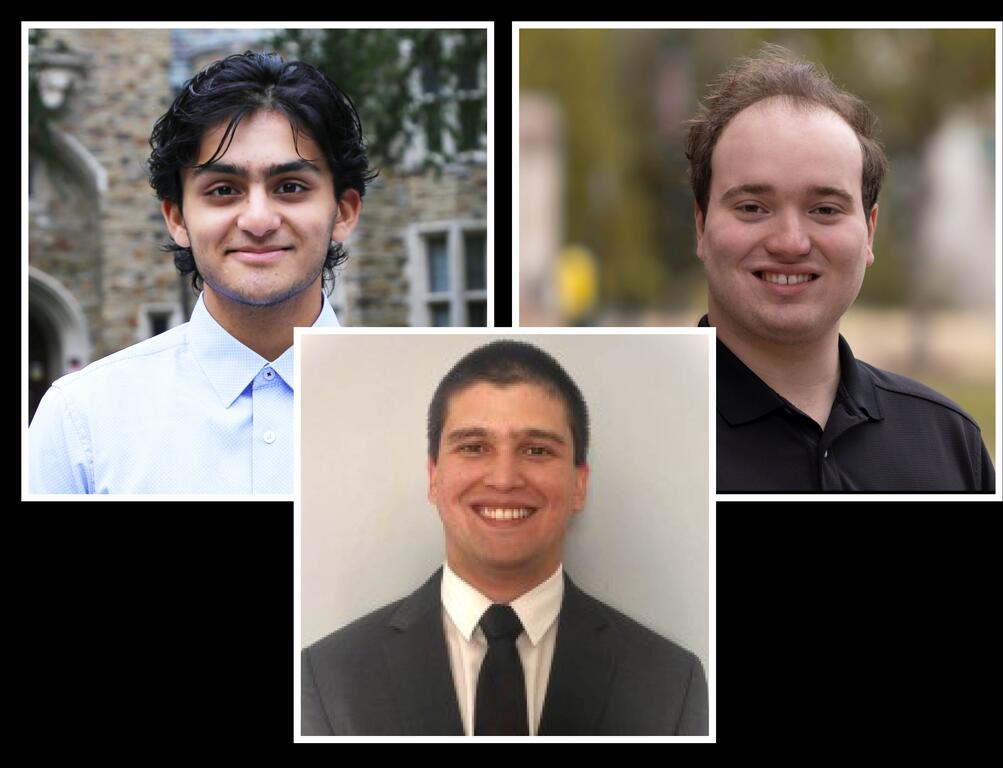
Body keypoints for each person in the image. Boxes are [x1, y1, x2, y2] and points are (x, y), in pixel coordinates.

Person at [301, 340, 709, 736]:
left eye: (536, 451)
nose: (504, 479)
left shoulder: (671, 683)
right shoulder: (327, 679)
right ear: (433, 477)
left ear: (579, 484)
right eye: (475, 447)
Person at [28, 51, 374, 494]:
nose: (258, 220)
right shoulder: (81, 421)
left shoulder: (426, 407)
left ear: (344, 212)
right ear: (177, 218)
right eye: (224, 190)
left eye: (290, 187)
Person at [686, 44, 995, 492]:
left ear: (869, 231)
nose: (790, 242)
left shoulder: (950, 445)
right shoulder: (628, 438)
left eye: (825, 209)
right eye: (753, 207)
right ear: (700, 225)